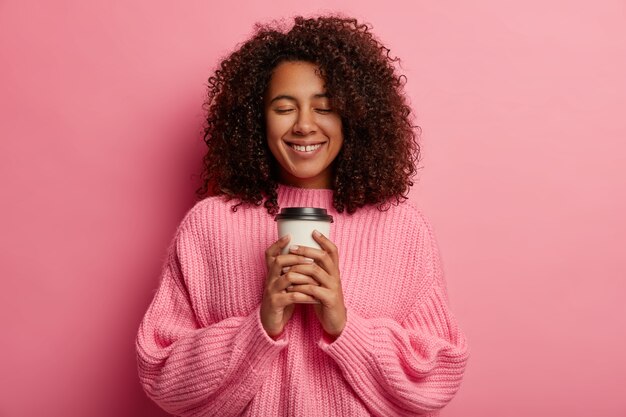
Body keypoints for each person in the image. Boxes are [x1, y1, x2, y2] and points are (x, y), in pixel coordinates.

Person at [135, 15, 469, 417]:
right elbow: (160, 371)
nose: (305, 125)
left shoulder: (402, 228)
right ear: (257, 118)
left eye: (325, 107)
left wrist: (345, 326)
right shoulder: (210, 225)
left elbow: (437, 376)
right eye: (284, 107)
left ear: (354, 118)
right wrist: (259, 326)